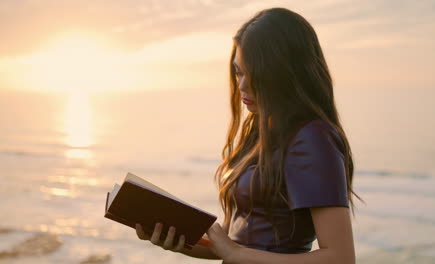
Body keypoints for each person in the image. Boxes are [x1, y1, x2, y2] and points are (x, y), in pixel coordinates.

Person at [135, 7, 361, 264]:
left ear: (284, 73)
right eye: (238, 72)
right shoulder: (256, 133)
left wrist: (237, 254)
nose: (242, 85)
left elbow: (340, 258)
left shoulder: (311, 138)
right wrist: (177, 239)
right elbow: (231, 247)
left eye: (255, 74)